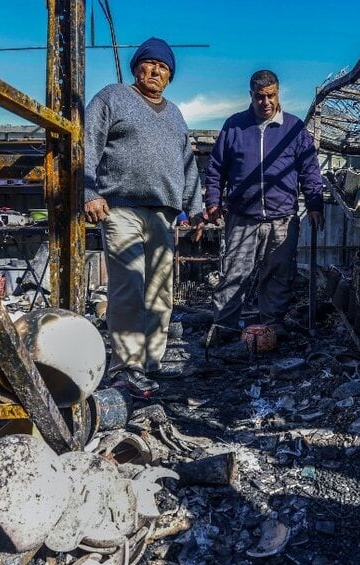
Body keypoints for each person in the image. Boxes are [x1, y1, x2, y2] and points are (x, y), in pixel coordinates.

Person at [84, 37, 202, 398]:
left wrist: (195, 209)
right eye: (148, 65)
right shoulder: (113, 97)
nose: (154, 71)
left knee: (160, 293)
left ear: (169, 76)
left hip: (164, 214)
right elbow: (87, 145)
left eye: (162, 67)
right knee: (128, 287)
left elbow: (187, 164)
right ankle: (127, 366)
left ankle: (151, 364)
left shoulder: (175, 114)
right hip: (121, 208)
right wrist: (89, 191)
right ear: (137, 68)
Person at [201, 69, 324, 345]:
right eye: (260, 96)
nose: (265, 102)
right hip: (242, 216)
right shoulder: (234, 126)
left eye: (271, 95)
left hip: (282, 218)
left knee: (278, 275)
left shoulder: (294, 128)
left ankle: (271, 327)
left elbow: (310, 170)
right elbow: (216, 168)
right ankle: (225, 328)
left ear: (278, 93)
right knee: (233, 273)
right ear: (251, 96)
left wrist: (315, 203)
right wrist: (213, 200)